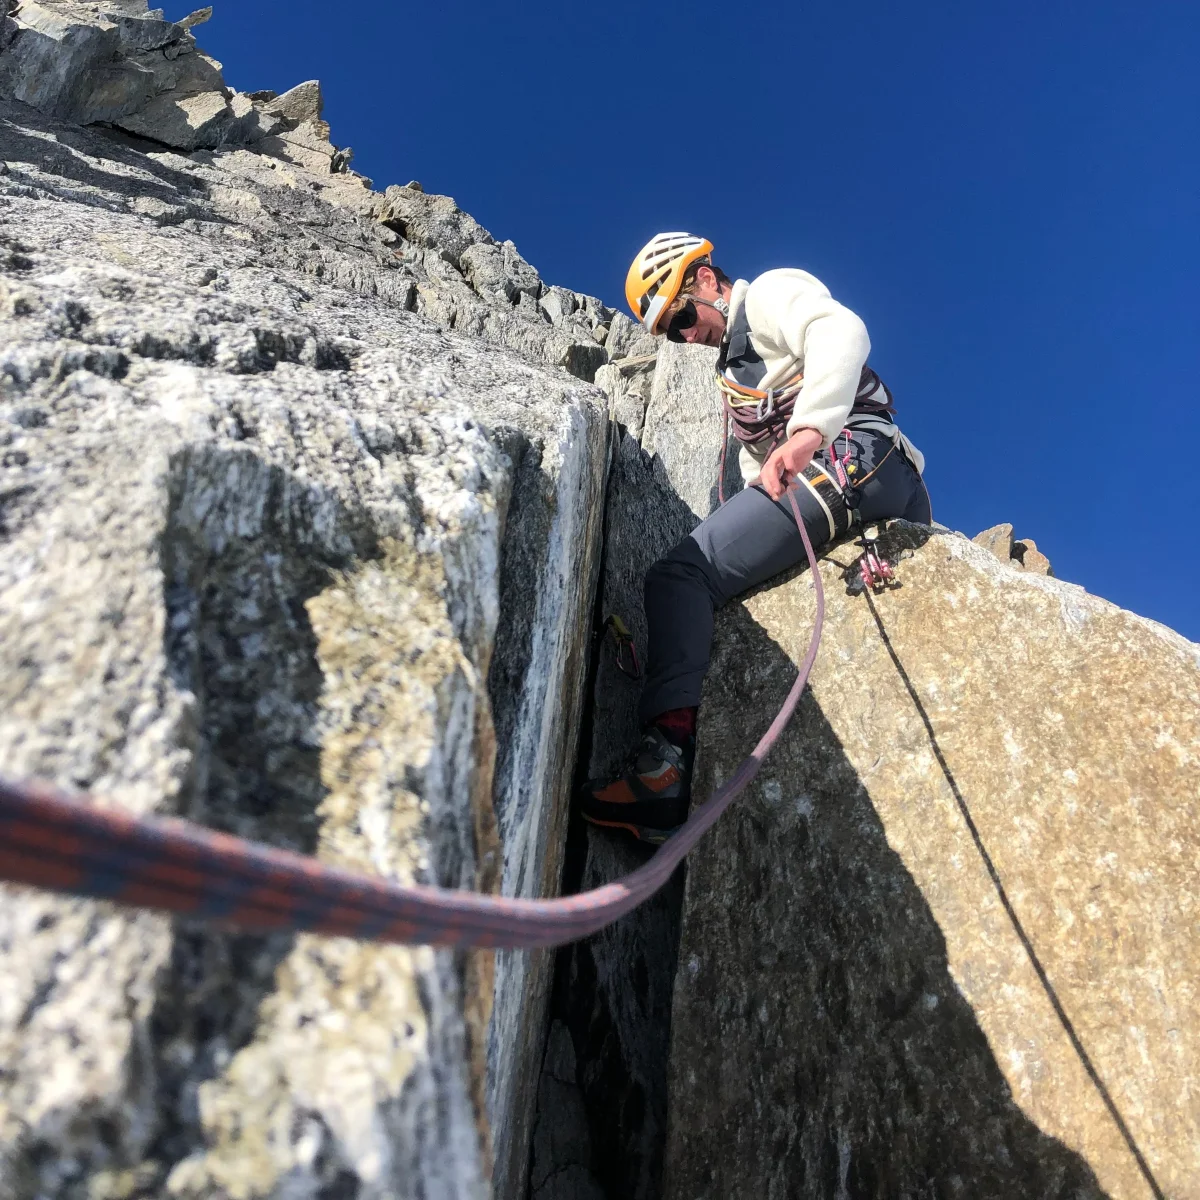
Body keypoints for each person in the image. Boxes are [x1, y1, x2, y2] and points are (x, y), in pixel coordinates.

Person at [579, 232, 931, 844]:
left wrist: (806, 433)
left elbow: (841, 332)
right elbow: (755, 477)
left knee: (680, 574)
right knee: (722, 584)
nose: (684, 335)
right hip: (866, 475)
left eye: (682, 315)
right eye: (668, 331)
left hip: (853, 453)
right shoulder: (733, 376)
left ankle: (663, 767)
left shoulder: (767, 294)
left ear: (707, 279)